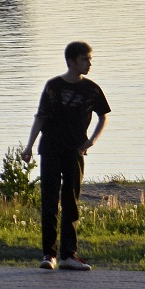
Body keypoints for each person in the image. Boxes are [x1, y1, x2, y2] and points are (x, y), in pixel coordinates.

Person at [21, 41, 111, 271]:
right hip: (50, 148)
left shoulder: (92, 89)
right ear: (71, 61)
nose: (89, 63)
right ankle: (48, 255)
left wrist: (91, 141)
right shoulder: (53, 86)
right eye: (84, 59)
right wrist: (29, 146)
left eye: (90, 59)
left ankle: (68, 255)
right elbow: (40, 117)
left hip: (74, 151)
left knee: (71, 202)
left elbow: (103, 116)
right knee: (49, 200)